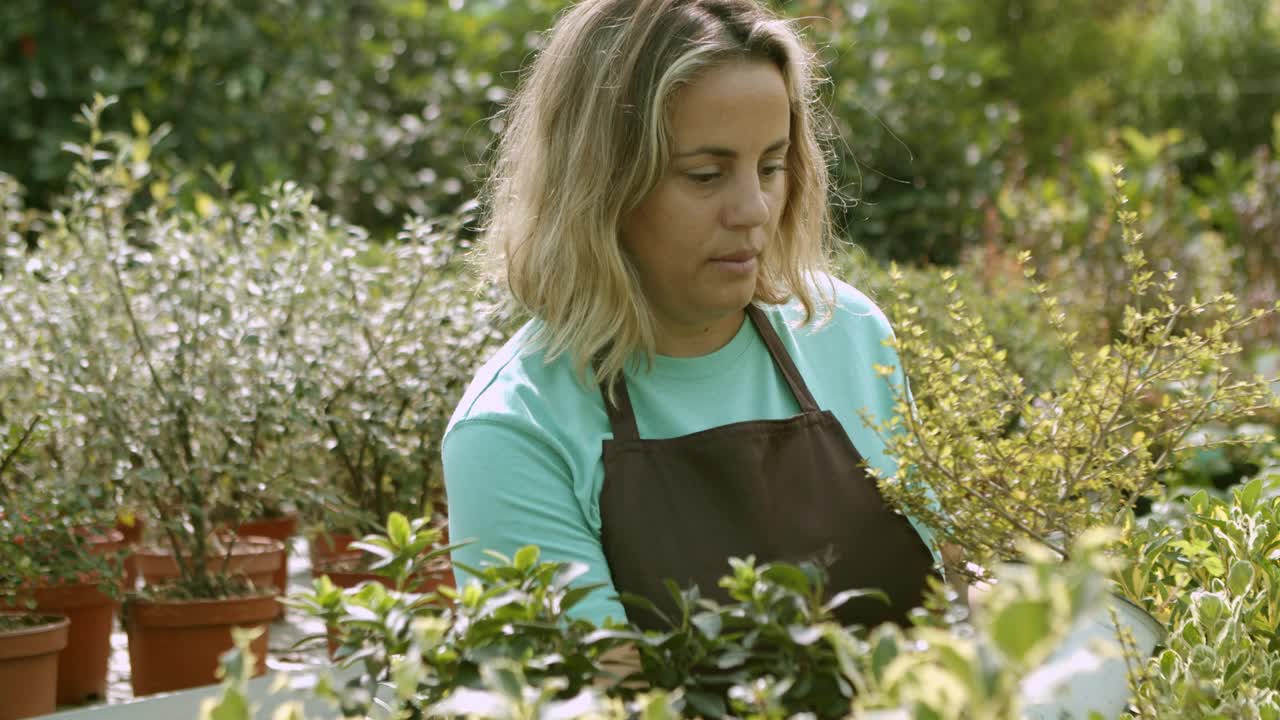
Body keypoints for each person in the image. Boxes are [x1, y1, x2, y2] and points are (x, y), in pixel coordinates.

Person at [443, 0, 941, 631]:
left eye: (771, 166)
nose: (754, 209)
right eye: (705, 175)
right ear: (599, 188)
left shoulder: (847, 334)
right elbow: (595, 694)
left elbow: (939, 615)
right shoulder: (514, 433)